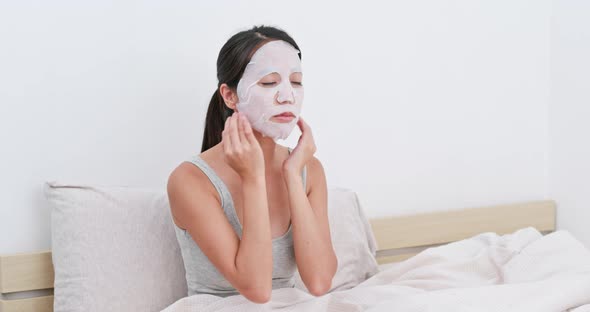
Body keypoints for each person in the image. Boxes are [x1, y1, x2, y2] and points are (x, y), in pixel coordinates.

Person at [166, 25, 337, 304]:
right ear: (230, 95)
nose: (287, 96)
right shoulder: (190, 180)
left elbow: (319, 282)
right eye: (269, 83)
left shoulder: (309, 170)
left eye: (296, 81)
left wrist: (293, 176)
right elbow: (256, 290)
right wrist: (253, 178)